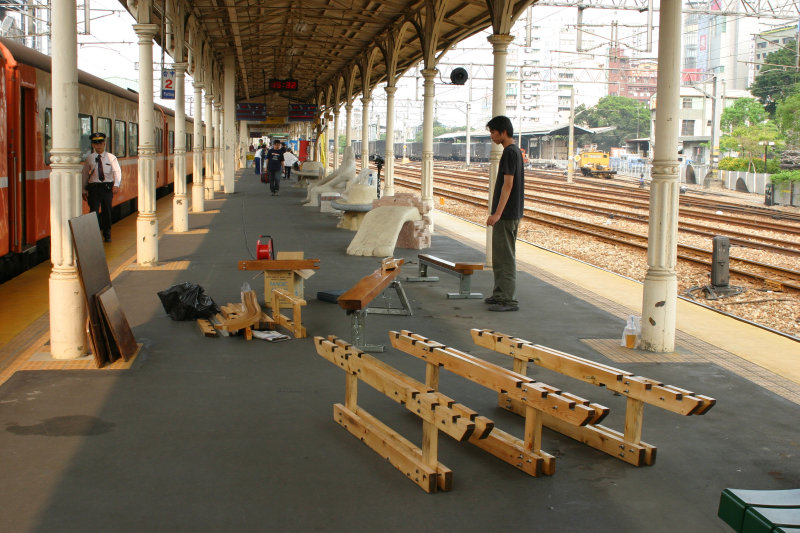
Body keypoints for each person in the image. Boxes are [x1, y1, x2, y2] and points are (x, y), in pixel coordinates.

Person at [484, 116, 524, 312]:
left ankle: (508, 300)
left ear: (503, 132)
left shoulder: (509, 153)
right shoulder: (515, 151)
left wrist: (497, 214)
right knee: (500, 256)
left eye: (493, 132)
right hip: (510, 213)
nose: (492, 136)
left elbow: (507, 186)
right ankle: (500, 294)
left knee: (505, 258)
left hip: (506, 215)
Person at [82, 132, 121, 243]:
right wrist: (83, 190)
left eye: (100, 143)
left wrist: (116, 185)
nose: (98, 145)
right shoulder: (89, 158)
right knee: (93, 212)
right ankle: (94, 235)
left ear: (104, 144)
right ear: (93, 145)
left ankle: (107, 234)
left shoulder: (111, 158)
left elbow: (117, 172)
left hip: (107, 188)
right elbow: (85, 174)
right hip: (94, 188)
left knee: (107, 211)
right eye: (95, 143)